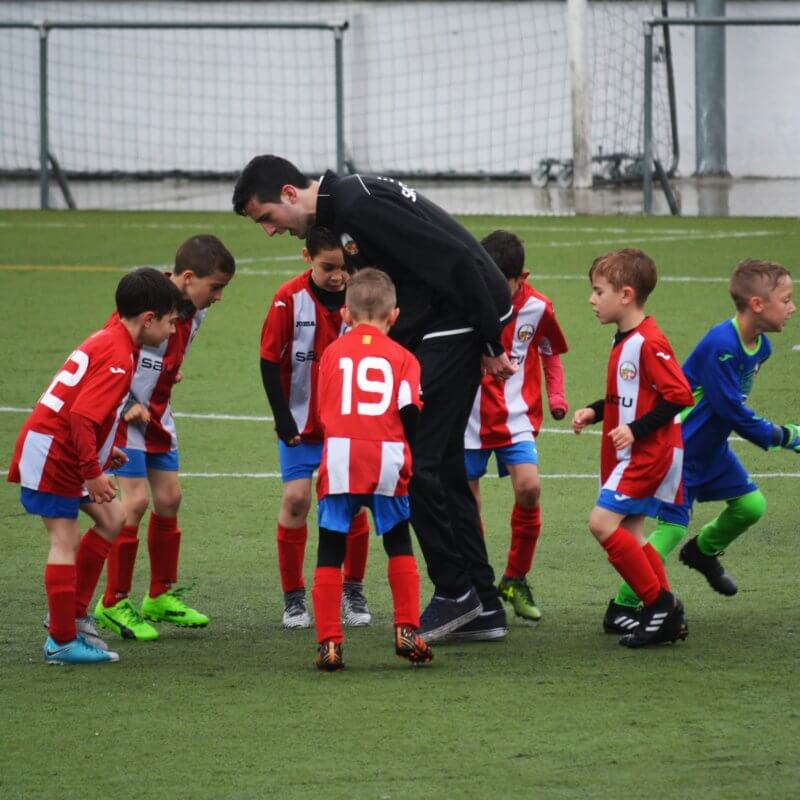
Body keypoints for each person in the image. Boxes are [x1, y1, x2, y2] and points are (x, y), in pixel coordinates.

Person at [233, 155, 515, 643]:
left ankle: (455, 591)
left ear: (288, 194)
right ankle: (483, 604)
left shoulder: (357, 207)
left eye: (267, 219)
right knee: (444, 464)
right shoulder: (345, 206)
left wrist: (490, 342)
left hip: (464, 318)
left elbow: (458, 258)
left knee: (416, 460)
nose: (271, 231)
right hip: (451, 320)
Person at [607, 259, 797, 625]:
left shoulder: (762, 348)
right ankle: (624, 605)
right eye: (786, 299)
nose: (792, 307)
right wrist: (785, 436)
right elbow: (730, 410)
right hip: (682, 448)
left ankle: (702, 551)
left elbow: (729, 408)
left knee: (751, 506)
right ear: (758, 305)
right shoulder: (722, 344)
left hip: (712, 448)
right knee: (672, 529)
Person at [7, 268, 179, 664]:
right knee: (64, 541)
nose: (172, 331)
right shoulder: (120, 355)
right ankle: (61, 641)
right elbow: (82, 417)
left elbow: (98, 411)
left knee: (113, 517)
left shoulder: (116, 342)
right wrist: (92, 471)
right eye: (170, 322)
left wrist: (108, 451)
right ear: (148, 319)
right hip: (55, 452)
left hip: (65, 449)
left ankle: (74, 615)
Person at [93, 236, 235, 641]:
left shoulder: (195, 312)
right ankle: (113, 602)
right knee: (133, 503)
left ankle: (159, 595)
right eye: (215, 287)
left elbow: (168, 355)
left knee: (169, 499)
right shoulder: (147, 298)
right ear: (187, 278)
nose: (219, 296)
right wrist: (124, 404)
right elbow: (109, 350)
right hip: (126, 414)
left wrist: (169, 373)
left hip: (158, 414)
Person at [571, 248, 694, 648]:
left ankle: (658, 605)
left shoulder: (648, 341)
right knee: (632, 534)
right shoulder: (626, 338)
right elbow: (629, 394)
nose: (591, 299)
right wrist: (594, 411)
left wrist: (636, 431)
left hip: (647, 452)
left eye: (598, 291)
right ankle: (666, 614)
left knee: (601, 523)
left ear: (625, 295)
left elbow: (678, 395)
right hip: (635, 450)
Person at [311, 268, 431, 670]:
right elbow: (409, 411)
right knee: (398, 541)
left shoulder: (332, 353)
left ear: (345, 315)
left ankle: (329, 642)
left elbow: (324, 410)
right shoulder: (404, 357)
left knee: (330, 548)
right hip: (386, 457)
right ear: (394, 316)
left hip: (341, 456)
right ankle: (407, 629)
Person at [259, 226, 371, 629]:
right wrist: (283, 417)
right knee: (296, 500)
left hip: (347, 424)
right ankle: (293, 599)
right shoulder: (287, 300)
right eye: (328, 267)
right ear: (307, 258)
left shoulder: (360, 300)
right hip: (299, 425)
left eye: (343, 267)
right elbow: (269, 362)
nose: (338, 276)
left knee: (352, 504)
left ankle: (353, 590)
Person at [463, 230, 568, 631]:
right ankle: (477, 585)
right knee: (466, 509)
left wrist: (556, 396)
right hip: (467, 419)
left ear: (521, 276)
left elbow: (550, 351)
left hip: (516, 418)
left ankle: (515, 578)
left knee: (529, 488)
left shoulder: (539, 308)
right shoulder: (466, 301)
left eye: (500, 281)